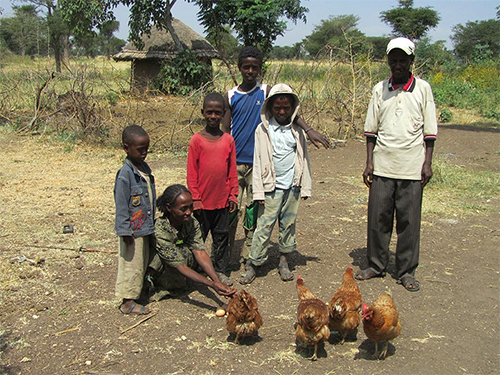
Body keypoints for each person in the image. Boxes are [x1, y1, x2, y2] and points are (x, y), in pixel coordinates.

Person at [222, 46, 329, 270]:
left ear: (260, 69)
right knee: (230, 211)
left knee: (253, 214)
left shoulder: (266, 91)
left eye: (255, 67)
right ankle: (224, 257)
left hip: (259, 166)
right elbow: (225, 131)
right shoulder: (230, 95)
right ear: (239, 68)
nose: (250, 71)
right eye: (246, 67)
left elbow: (290, 112)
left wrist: (308, 130)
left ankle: (248, 256)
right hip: (235, 163)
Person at [355, 37, 438, 292]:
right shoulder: (380, 89)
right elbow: (371, 130)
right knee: (378, 218)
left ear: (412, 61)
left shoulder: (423, 89)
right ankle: (376, 265)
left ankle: (406, 271)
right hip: (383, 164)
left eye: (403, 60)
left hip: (412, 165)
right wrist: (369, 162)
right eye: (394, 60)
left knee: (409, 222)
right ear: (388, 62)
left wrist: (427, 163)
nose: (398, 65)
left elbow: (430, 132)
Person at [239, 83, 312, 285]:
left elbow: (303, 158)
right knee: (264, 225)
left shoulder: (297, 131)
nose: (281, 112)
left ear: (292, 108)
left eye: (286, 108)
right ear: (269, 107)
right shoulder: (263, 130)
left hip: (292, 187)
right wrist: (258, 193)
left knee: (288, 225)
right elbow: (257, 161)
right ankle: (254, 263)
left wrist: (305, 186)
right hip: (271, 188)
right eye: (277, 108)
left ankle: (283, 260)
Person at [147, 184, 236, 302]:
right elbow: (180, 265)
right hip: (165, 267)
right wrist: (211, 284)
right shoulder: (160, 230)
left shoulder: (191, 222)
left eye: (191, 207)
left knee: (186, 252)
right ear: (169, 208)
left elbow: (200, 252)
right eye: (183, 208)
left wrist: (217, 282)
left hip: (180, 264)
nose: (189, 212)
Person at [187, 92, 238, 287]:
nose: (213, 117)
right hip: (202, 203)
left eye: (218, 113)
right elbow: (192, 174)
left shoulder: (228, 140)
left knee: (221, 237)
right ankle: (197, 269)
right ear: (203, 112)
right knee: (198, 238)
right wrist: (196, 199)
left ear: (224, 113)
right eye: (209, 112)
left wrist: (233, 195)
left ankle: (220, 270)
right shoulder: (196, 140)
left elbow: (231, 170)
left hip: (222, 201)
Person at [114, 124, 156, 315]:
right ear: (126, 148)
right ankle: (127, 302)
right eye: (140, 150)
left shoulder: (144, 168)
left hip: (145, 226)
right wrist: (124, 231)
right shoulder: (125, 174)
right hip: (132, 230)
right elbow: (122, 205)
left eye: (146, 149)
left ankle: (139, 293)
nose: (144, 153)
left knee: (142, 262)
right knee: (131, 264)